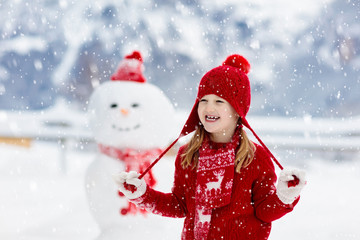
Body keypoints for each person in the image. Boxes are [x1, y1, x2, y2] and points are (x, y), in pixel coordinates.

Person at [113, 54, 306, 240]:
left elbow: (265, 212)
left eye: (219, 101)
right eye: (203, 100)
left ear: (237, 109)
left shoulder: (256, 158)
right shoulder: (187, 155)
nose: (209, 108)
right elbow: (180, 205)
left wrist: (283, 197)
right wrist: (143, 195)